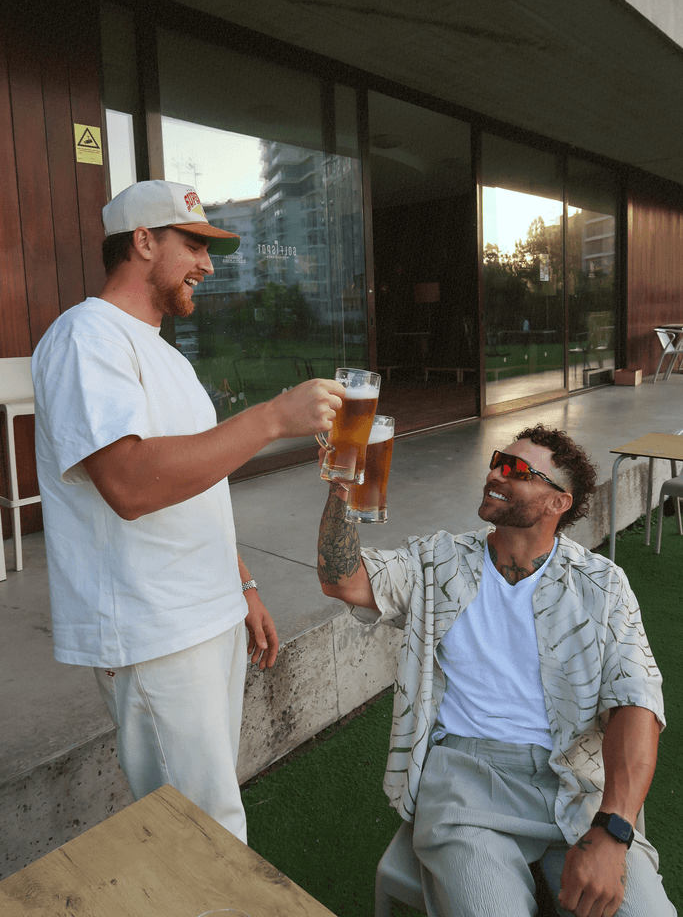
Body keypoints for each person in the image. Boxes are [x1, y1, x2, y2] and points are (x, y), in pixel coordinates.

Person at [32, 179, 344, 844]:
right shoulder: (85, 336)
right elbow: (130, 485)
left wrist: (242, 583)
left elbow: (192, 485)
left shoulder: (163, 354)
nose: (208, 264)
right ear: (142, 241)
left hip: (204, 611)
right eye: (194, 244)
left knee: (207, 813)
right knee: (204, 831)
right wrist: (269, 418)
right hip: (155, 626)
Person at [316, 424, 675, 917]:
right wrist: (342, 483)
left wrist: (614, 828)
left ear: (558, 503)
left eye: (517, 470)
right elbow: (342, 580)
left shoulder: (602, 584)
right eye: (496, 460)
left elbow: (636, 702)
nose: (495, 474)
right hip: (465, 781)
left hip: (571, 777)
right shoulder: (438, 560)